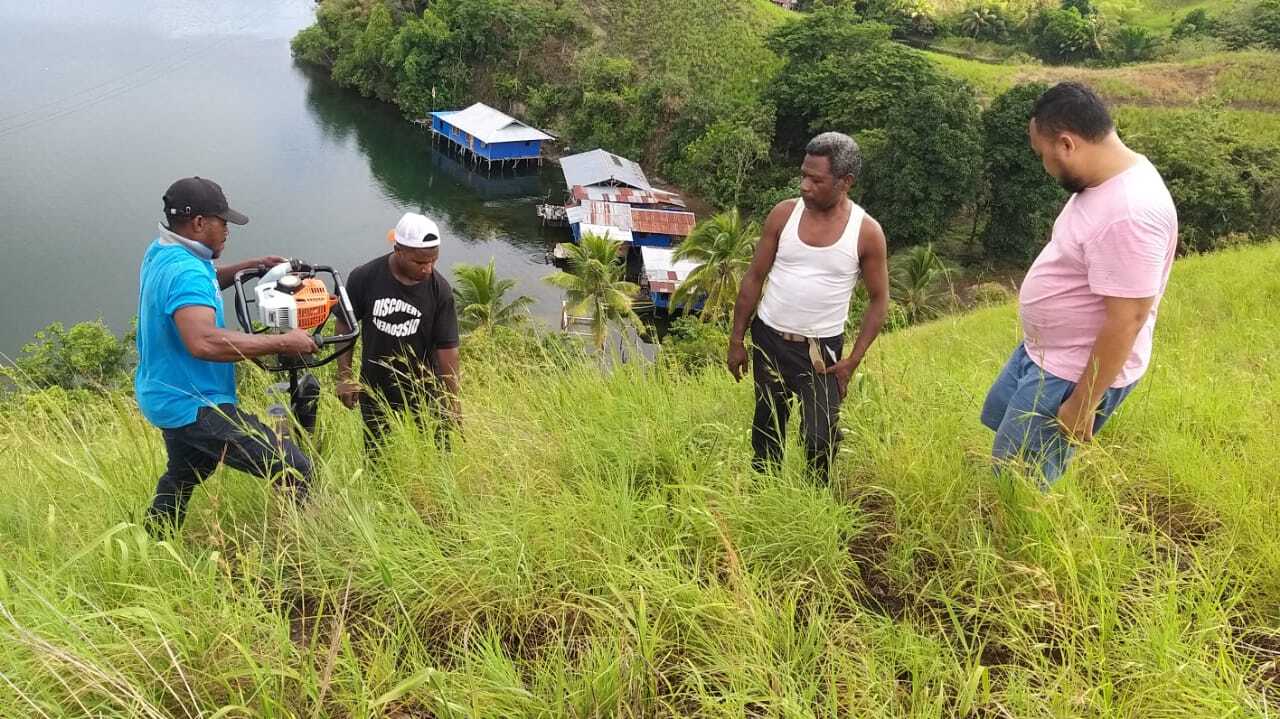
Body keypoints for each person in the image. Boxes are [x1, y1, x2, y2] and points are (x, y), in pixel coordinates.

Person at [980, 82, 1178, 485]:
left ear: (1067, 144)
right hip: (1045, 354)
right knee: (1003, 430)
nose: (1044, 166)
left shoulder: (1130, 213)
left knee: (1019, 478)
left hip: (1070, 373)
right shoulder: (1107, 179)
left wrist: (1082, 403)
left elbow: (1128, 319)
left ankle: (1018, 522)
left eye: (1043, 155)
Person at [136, 177, 318, 535]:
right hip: (195, 404)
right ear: (198, 222)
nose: (227, 231)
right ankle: (304, 545)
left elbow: (202, 284)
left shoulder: (164, 251)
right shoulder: (186, 270)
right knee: (294, 468)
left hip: (165, 393)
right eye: (223, 222)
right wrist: (284, 342)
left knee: (188, 472)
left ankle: (154, 541)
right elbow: (203, 342)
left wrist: (252, 266)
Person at [727, 132, 890, 484]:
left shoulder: (866, 233)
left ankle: (815, 501)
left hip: (822, 354)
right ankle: (764, 495)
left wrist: (852, 361)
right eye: (803, 175)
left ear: (845, 182)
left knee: (820, 439)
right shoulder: (783, 215)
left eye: (816, 180)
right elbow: (754, 277)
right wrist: (737, 340)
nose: (804, 186)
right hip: (769, 341)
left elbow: (879, 300)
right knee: (767, 429)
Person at [336, 212, 461, 453]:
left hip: (425, 391)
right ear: (398, 250)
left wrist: (453, 404)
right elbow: (344, 326)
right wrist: (345, 377)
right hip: (376, 389)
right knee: (377, 458)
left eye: (433, 261)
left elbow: (448, 351)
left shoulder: (440, 290)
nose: (428, 269)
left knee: (437, 456)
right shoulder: (364, 277)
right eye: (420, 262)